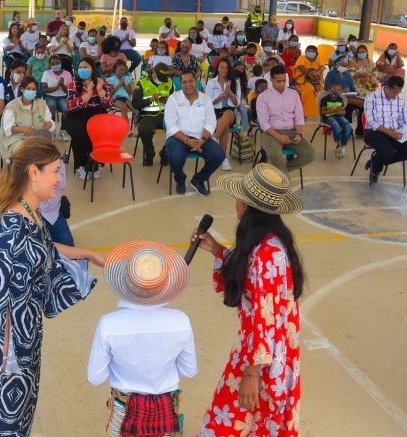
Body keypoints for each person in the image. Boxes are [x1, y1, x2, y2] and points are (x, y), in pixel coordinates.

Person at [0, 137, 102, 436]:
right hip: (6, 341)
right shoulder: (11, 227)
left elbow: (49, 249)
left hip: (26, 332)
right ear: (33, 173)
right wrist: (8, 358)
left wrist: (93, 255)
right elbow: (2, 297)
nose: (59, 179)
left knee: (21, 409)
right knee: (2, 415)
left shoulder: (32, 212)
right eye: (54, 171)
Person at [194, 162, 304, 437]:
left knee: (227, 421)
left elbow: (263, 320)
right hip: (273, 352)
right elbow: (250, 273)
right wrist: (217, 249)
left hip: (260, 355)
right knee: (267, 422)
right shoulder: (271, 242)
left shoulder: (266, 255)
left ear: (245, 206)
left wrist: (251, 374)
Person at [88, 240, 197, 437]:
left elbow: (95, 377)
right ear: (165, 285)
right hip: (167, 407)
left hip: (125, 406)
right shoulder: (181, 320)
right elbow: (189, 370)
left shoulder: (109, 324)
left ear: (125, 283)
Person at [164, 70, 224, 196]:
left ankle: (198, 179)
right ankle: (180, 180)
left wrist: (202, 139)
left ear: (196, 81)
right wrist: (187, 140)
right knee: (175, 157)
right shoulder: (173, 99)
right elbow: (171, 125)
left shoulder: (205, 99)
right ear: (180, 84)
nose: (188, 84)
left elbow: (211, 122)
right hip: (178, 137)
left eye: (190, 81)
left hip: (200, 137)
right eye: (184, 82)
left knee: (219, 155)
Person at [257, 65, 315, 175]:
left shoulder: (293, 94)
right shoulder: (263, 97)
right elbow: (263, 122)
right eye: (278, 81)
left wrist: (298, 134)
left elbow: (299, 116)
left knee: (310, 154)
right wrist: (278, 137)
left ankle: (280, 173)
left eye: (284, 80)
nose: (282, 84)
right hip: (271, 133)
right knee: (275, 154)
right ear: (271, 80)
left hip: (292, 132)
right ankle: (282, 179)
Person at [363, 75, 407, 184]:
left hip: (394, 132)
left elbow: (403, 121)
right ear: (387, 87)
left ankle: (375, 161)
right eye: (394, 92)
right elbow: (372, 122)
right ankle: (376, 170)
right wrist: (390, 133)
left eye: (398, 92)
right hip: (374, 132)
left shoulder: (400, 101)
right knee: (386, 153)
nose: (396, 95)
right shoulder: (372, 98)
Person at [65, 57, 113, 179]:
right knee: (79, 133)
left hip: (97, 112)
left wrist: (100, 91)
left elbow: (109, 105)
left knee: (99, 133)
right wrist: (88, 95)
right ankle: (80, 165)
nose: (82, 70)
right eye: (80, 67)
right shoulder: (73, 84)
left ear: (93, 69)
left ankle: (95, 164)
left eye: (85, 67)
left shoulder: (102, 83)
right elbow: (71, 106)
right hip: (78, 114)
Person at [0, 76, 55, 161]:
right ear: (22, 89)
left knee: (48, 153)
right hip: (17, 140)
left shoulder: (42, 104)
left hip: (37, 139)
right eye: (28, 88)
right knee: (27, 153)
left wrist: (49, 124)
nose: (31, 91)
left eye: (34, 89)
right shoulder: (12, 106)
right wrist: (22, 129)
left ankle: (39, 172)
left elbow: (49, 121)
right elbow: (8, 129)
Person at [131, 63, 174, 166]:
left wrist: (168, 101)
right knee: (144, 130)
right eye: (160, 77)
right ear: (153, 72)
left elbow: (175, 100)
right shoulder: (141, 83)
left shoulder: (169, 82)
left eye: (164, 78)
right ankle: (149, 152)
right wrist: (150, 99)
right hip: (148, 115)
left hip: (165, 115)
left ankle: (165, 152)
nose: (162, 80)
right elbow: (135, 104)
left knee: (178, 128)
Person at [206, 58, 240, 171]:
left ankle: (214, 137)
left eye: (226, 67)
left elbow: (236, 103)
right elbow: (209, 103)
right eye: (221, 67)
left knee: (228, 113)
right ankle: (223, 158)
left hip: (230, 113)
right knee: (224, 127)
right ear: (217, 68)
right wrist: (222, 95)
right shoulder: (211, 82)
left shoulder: (235, 81)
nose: (224, 70)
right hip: (215, 113)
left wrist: (230, 93)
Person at [321, 82, 353, 159]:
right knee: (335, 125)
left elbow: (343, 112)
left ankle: (342, 146)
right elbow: (323, 112)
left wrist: (341, 112)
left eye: (338, 90)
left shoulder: (340, 99)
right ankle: (339, 146)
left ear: (340, 91)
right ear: (330, 89)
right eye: (334, 89)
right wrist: (335, 110)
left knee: (347, 125)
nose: (336, 91)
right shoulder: (325, 99)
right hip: (329, 118)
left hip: (339, 117)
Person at [294, 46, 325, 118]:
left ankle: (320, 113)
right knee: (309, 89)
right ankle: (304, 113)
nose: (310, 53)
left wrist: (317, 72)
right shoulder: (302, 58)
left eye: (312, 51)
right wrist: (310, 74)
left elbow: (323, 67)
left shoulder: (318, 58)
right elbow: (301, 67)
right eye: (308, 51)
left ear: (316, 53)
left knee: (322, 92)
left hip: (316, 81)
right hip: (302, 81)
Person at [106, 60, 134, 132]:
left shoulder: (127, 78)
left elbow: (130, 92)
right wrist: (119, 85)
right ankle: (127, 128)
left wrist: (124, 84)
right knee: (123, 107)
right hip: (115, 99)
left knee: (135, 108)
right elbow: (110, 93)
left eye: (123, 70)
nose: (122, 71)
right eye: (120, 69)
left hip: (126, 99)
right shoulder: (110, 80)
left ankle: (136, 127)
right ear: (115, 69)